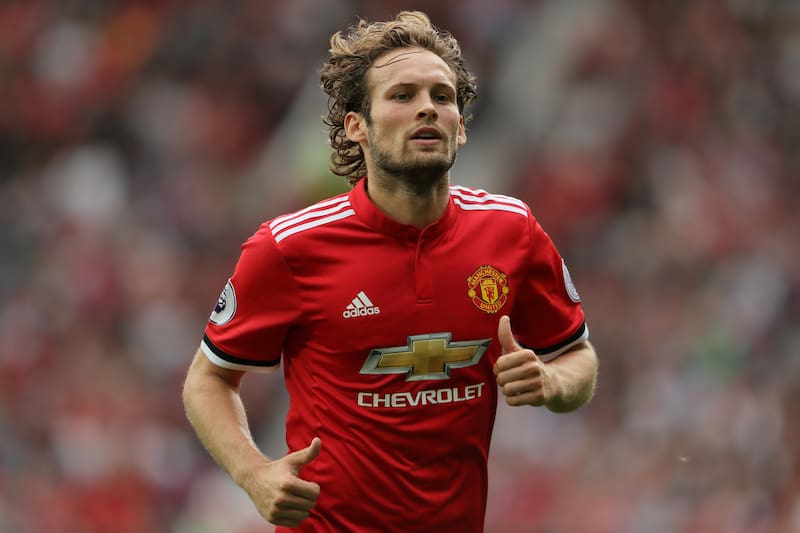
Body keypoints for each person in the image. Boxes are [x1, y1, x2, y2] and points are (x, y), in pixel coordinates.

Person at [182, 10, 599, 532]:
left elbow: (577, 359)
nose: (426, 108)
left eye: (442, 97)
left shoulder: (512, 231)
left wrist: (552, 382)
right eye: (402, 96)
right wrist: (254, 474)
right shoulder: (289, 247)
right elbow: (208, 380)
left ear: (461, 128)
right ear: (357, 125)